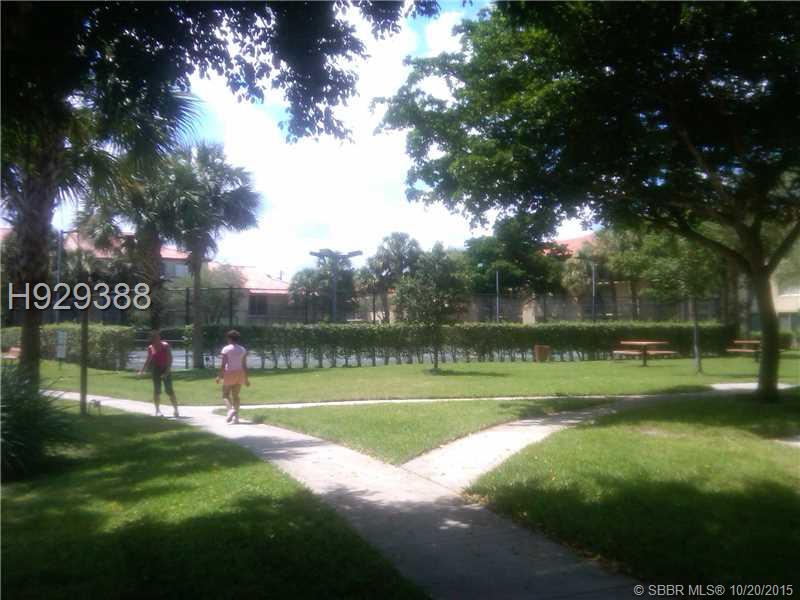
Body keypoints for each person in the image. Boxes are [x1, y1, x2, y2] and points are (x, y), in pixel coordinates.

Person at [139, 330, 179, 417]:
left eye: (157, 338)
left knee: (169, 390)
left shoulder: (165, 346)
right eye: (154, 339)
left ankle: (176, 410)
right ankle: (157, 411)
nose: (156, 340)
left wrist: (167, 371)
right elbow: (148, 359)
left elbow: (170, 359)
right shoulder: (151, 347)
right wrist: (142, 370)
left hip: (165, 367)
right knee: (157, 390)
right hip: (156, 369)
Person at [217, 330, 249, 424]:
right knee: (236, 396)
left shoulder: (226, 349)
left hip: (229, 372)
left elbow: (223, 364)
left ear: (229, 338)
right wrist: (246, 379)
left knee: (225, 395)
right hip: (240, 372)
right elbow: (244, 365)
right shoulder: (242, 349)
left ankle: (230, 410)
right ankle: (236, 418)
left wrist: (219, 376)